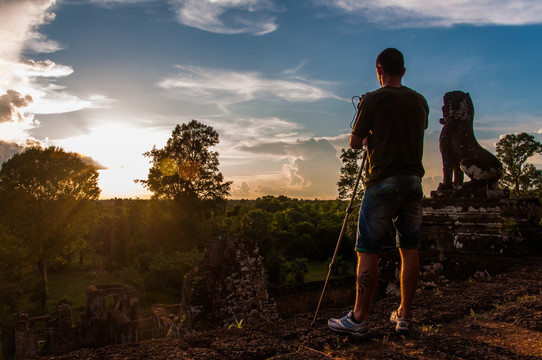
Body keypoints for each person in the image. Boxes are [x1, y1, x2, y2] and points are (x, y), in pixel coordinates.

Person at [328, 48, 428, 339]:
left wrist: (370, 134)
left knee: (367, 248)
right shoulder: (420, 101)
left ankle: (358, 318)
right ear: (404, 72)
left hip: (383, 181)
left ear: (378, 69)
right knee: (410, 248)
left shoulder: (372, 100)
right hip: (413, 182)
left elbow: (356, 142)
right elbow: (414, 131)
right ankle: (405, 315)